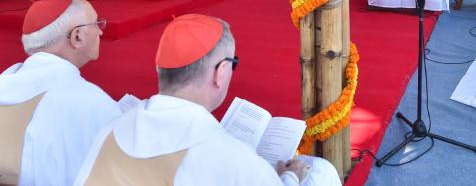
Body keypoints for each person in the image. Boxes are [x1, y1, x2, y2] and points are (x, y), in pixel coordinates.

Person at [74, 14, 339, 185]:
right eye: (232, 63)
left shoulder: (110, 128)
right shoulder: (233, 159)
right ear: (220, 72)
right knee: (320, 172)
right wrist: (290, 177)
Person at [0, 0, 120, 185]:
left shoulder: (6, 80)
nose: (101, 31)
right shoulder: (89, 102)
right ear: (77, 36)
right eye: (96, 23)